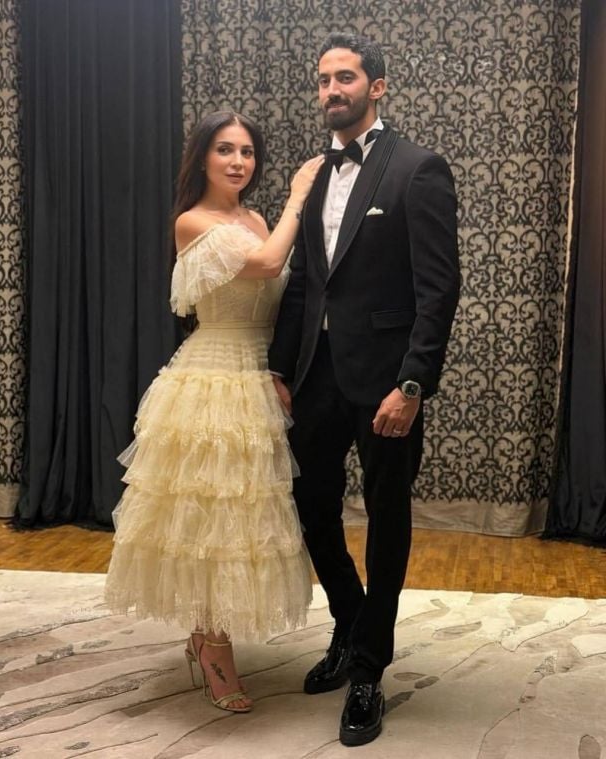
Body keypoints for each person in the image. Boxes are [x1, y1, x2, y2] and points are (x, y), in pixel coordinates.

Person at [269, 33, 460, 746]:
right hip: (314, 377)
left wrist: (412, 383)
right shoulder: (313, 173)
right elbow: (304, 284)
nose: (331, 90)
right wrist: (280, 368)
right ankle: (351, 623)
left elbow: (438, 290)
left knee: (387, 518)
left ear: (376, 87)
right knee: (309, 505)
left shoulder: (417, 169)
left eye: (344, 78)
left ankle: (370, 668)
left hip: (385, 382)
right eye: (323, 79)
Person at [105, 111, 324, 714]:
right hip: (212, 377)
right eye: (225, 150)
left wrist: (282, 370)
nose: (238, 162)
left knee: (247, 518)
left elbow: (283, 296)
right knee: (211, 517)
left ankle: (207, 635)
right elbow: (269, 265)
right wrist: (300, 196)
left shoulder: (254, 219)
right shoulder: (191, 221)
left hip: (259, 375)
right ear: (202, 157)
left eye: (247, 152)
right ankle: (212, 644)